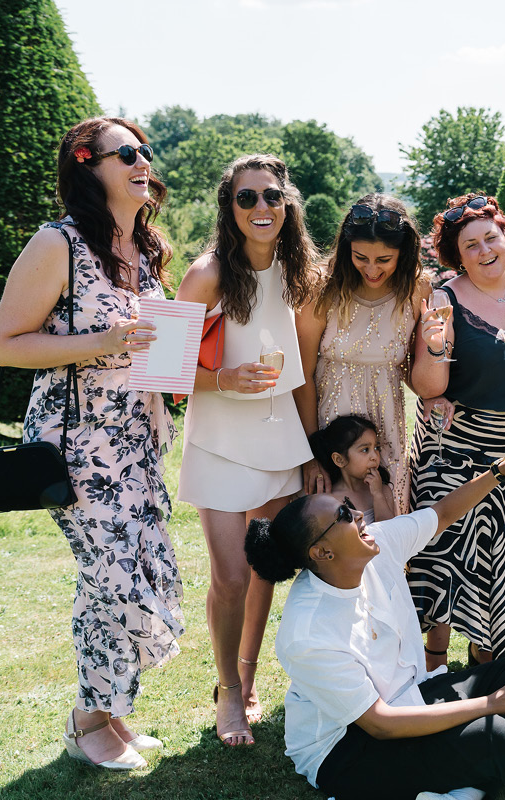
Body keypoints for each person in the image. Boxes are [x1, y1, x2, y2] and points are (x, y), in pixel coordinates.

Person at [244, 423, 505, 800]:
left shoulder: (377, 543)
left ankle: (479, 769)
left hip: (413, 698)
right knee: (493, 732)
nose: (358, 514)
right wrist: (490, 704)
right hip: (349, 752)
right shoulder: (307, 632)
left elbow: (442, 513)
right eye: (342, 514)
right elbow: (381, 724)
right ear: (322, 552)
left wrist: (503, 469)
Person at [0, 117, 183, 769]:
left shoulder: (149, 250)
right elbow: (5, 341)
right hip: (76, 450)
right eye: (126, 152)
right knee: (115, 580)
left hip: (136, 442)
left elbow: (154, 356)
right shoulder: (59, 244)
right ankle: (88, 723)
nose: (142, 161)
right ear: (86, 163)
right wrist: (101, 344)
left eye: (145, 152)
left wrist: (192, 362)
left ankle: (109, 716)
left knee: (139, 578)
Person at [175, 153, 321, 745]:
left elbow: (305, 372)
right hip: (219, 440)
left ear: (287, 203)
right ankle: (227, 693)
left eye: (271, 196)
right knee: (230, 577)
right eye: (247, 198)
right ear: (229, 207)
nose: (261, 207)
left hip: (280, 435)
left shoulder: (301, 272)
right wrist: (223, 380)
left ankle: (248, 677)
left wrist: (309, 451)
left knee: (265, 569)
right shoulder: (205, 274)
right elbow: (163, 367)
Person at [407, 193, 505, 669]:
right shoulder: (443, 298)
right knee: (447, 549)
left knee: (503, 561)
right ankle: (434, 657)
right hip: (452, 444)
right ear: (457, 254)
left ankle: (486, 655)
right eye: (469, 244)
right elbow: (426, 385)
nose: (483, 250)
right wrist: (435, 346)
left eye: (490, 238)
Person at [295, 194, 432, 514]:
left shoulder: (417, 289)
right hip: (330, 434)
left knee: (389, 530)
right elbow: (302, 377)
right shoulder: (320, 285)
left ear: (404, 252)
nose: (371, 269)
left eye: (384, 259)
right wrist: (313, 455)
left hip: (388, 432)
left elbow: (414, 371)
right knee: (334, 532)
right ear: (346, 250)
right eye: (361, 257)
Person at [308, 415, 396, 524]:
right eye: (365, 450)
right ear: (339, 460)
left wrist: (378, 495)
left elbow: (390, 531)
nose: (375, 456)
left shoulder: (383, 490)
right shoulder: (330, 500)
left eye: (376, 448)